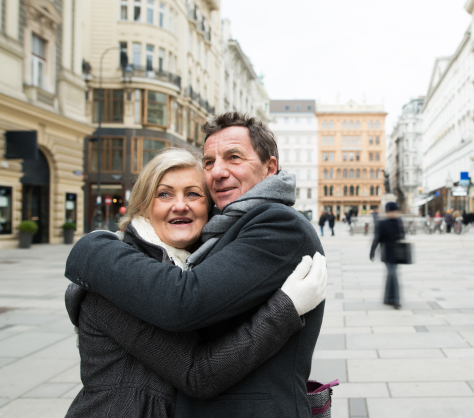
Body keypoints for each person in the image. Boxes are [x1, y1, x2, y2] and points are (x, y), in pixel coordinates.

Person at [65, 112, 326, 417]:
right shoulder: (126, 275)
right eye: (209, 162)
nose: (218, 171)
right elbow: (188, 326)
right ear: (143, 205)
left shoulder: (275, 222)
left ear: (270, 167)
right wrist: (90, 248)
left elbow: (186, 307)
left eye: (234, 157)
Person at [369, 202, 405, 309]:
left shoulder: (399, 221)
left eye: (395, 211)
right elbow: (376, 239)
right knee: (393, 274)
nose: (394, 213)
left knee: (391, 275)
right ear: (388, 212)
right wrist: (372, 252)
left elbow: (402, 235)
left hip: (397, 252)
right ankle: (395, 300)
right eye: (392, 211)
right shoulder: (382, 223)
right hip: (387, 253)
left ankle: (388, 298)